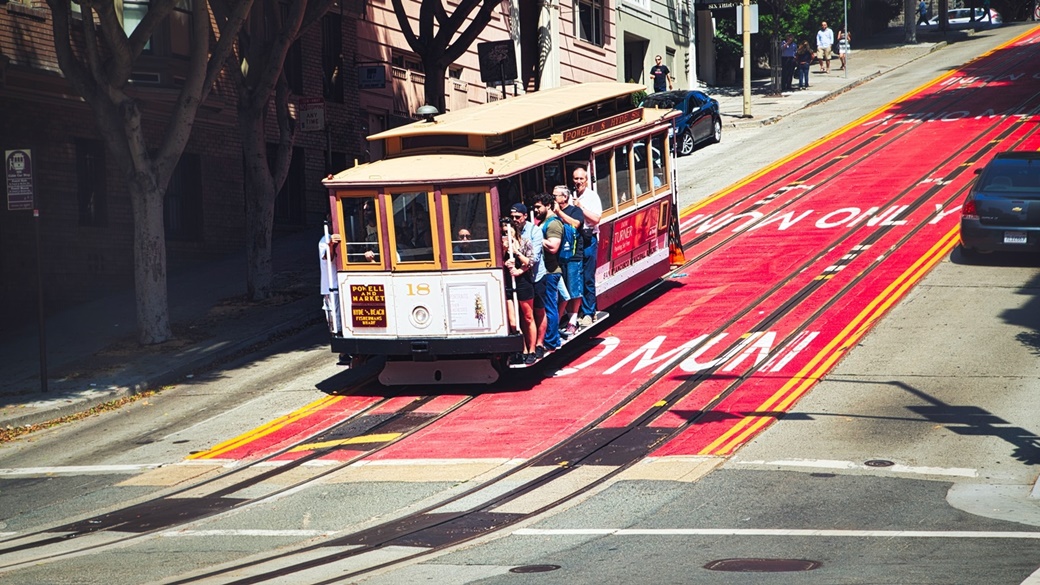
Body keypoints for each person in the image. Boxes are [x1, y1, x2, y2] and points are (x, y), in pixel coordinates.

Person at [512, 202, 547, 360]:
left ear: (525, 216)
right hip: (523, 278)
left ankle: (539, 344)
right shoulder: (511, 232)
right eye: (513, 217)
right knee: (525, 314)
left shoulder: (535, 231)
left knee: (539, 310)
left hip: (536, 276)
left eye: (518, 217)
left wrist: (520, 270)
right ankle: (527, 346)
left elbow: (535, 258)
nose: (515, 220)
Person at [500, 217, 537, 364]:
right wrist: (505, 257)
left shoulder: (525, 242)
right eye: (503, 233)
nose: (505, 235)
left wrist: (516, 254)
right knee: (513, 320)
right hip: (508, 283)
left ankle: (532, 350)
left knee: (528, 316)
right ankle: (522, 349)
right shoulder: (499, 246)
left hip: (523, 282)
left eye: (508, 232)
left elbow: (530, 262)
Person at [570, 166, 601, 329]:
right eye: (576, 179)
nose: (578, 182)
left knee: (588, 277)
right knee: (576, 276)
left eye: (581, 179)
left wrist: (581, 208)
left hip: (588, 239)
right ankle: (577, 312)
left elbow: (596, 219)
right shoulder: (570, 195)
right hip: (575, 240)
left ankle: (589, 312)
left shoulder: (592, 196)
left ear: (586, 180)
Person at [532, 192, 564, 352]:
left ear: (548, 206)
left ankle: (551, 342)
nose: (536, 210)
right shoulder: (544, 222)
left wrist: (536, 239)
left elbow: (553, 246)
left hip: (551, 272)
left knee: (550, 307)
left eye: (538, 207)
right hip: (546, 271)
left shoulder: (553, 224)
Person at [553, 185, 584, 338]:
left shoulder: (574, 210)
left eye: (556, 196)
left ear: (564, 197)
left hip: (573, 255)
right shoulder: (552, 213)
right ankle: (560, 319)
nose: (554, 199)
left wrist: (559, 213)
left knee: (574, 288)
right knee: (562, 290)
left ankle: (573, 321)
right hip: (558, 257)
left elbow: (576, 224)